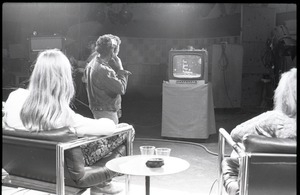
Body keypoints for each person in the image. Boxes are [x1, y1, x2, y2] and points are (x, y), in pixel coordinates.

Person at [2, 49, 129, 194]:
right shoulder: (61, 112)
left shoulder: (14, 97)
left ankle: (101, 186)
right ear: (64, 77)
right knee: (124, 131)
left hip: (19, 167)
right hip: (63, 168)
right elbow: (108, 128)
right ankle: (102, 186)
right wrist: (83, 130)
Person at [222, 68, 297, 195]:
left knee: (231, 159)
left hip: (264, 183)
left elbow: (235, 134)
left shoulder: (273, 119)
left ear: (283, 95)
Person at [85, 34, 131, 124]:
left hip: (101, 110)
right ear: (113, 50)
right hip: (106, 112)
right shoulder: (103, 70)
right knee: (111, 138)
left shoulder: (94, 61)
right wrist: (120, 68)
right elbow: (121, 89)